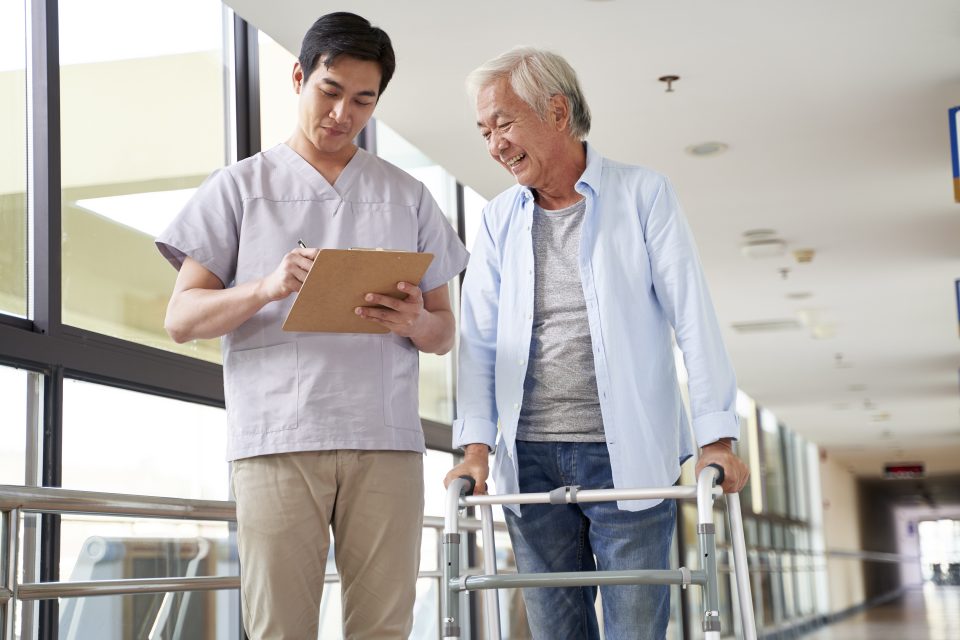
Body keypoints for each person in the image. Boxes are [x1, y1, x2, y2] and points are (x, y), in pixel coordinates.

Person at [157, 12, 468, 639]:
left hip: (384, 441)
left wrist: (414, 321)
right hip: (277, 439)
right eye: (329, 91)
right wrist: (267, 286)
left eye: (362, 100)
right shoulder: (239, 189)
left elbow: (444, 332)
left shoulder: (407, 195)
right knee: (279, 628)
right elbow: (180, 318)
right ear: (299, 77)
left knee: (383, 628)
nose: (342, 114)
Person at [444, 47, 749, 640]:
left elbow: (693, 317)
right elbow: (479, 340)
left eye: (503, 124)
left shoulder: (643, 195)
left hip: (625, 455)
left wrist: (717, 440)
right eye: (484, 131)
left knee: (635, 629)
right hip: (528, 459)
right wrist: (476, 451)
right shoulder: (498, 218)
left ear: (557, 111)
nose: (495, 145)